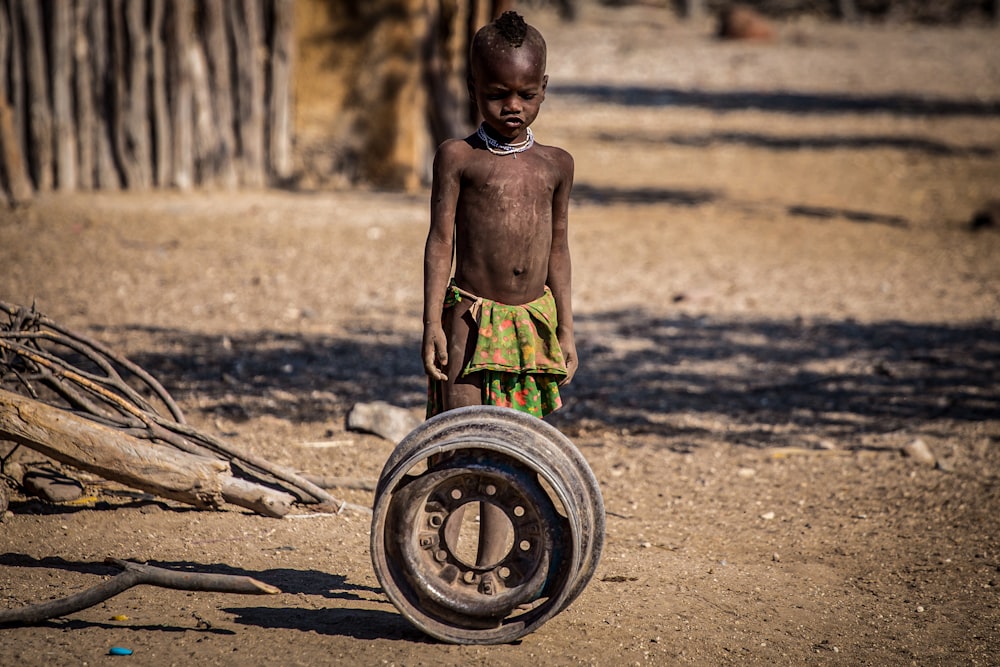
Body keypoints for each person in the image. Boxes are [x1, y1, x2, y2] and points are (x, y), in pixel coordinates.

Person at [420, 11, 576, 571]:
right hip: (469, 321)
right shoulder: (458, 158)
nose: (513, 106)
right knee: (459, 447)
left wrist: (566, 328)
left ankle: (485, 575)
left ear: (543, 90)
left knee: (511, 458)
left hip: (530, 327)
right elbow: (440, 242)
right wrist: (432, 324)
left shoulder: (556, 165)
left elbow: (558, 248)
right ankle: (434, 569)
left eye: (526, 94)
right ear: (473, 90)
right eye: (496, 94)